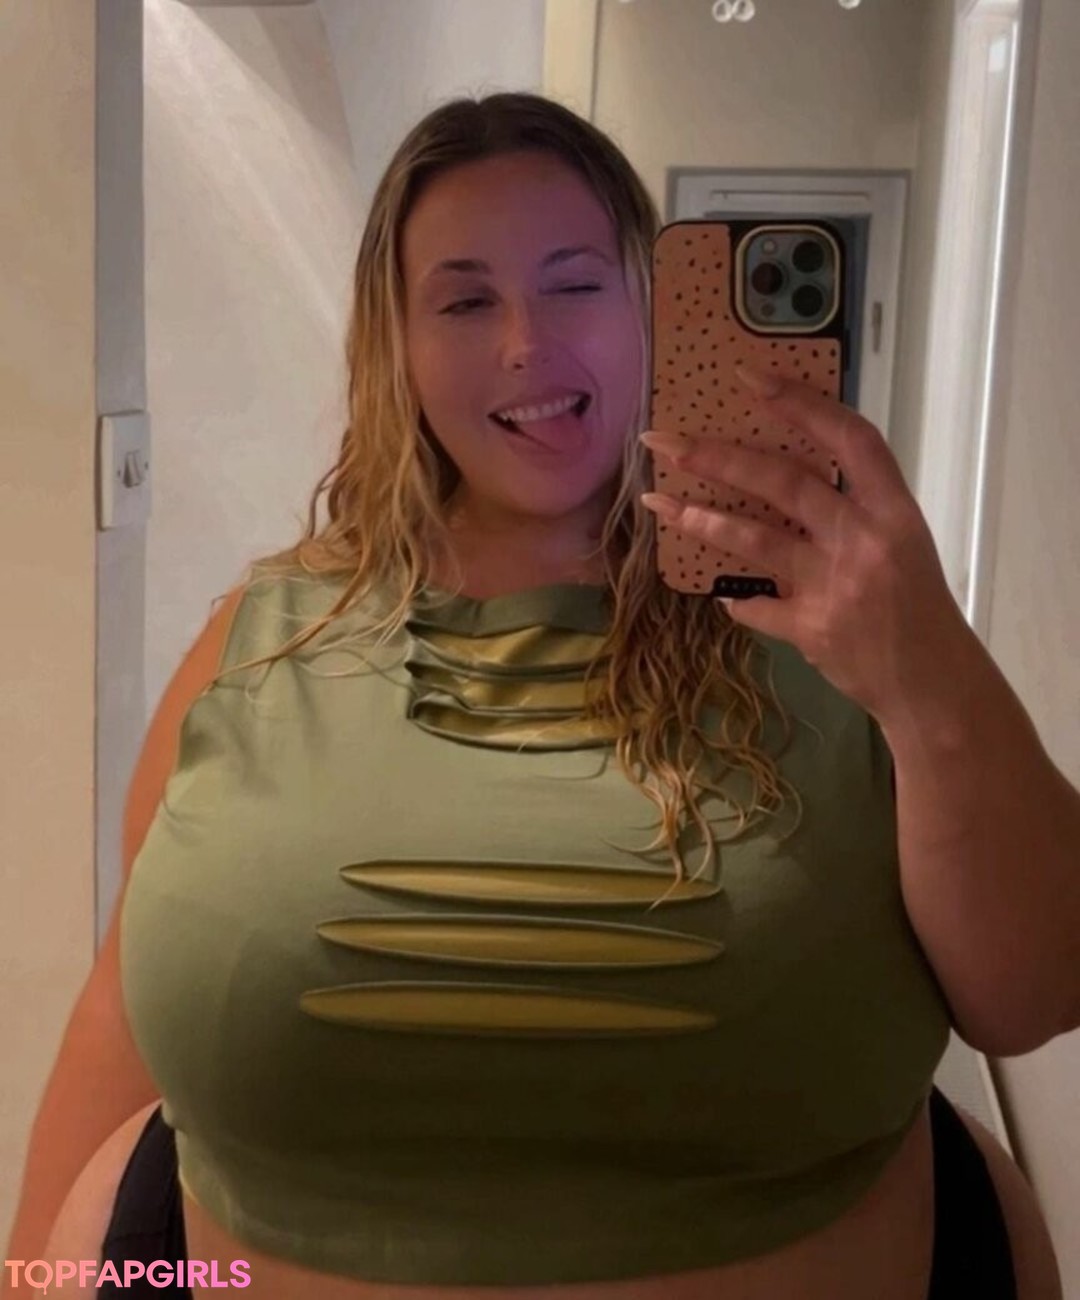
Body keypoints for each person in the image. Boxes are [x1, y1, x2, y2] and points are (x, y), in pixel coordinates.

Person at [6, 91, 1060, 1300]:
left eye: (575, 284)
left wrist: (927, 671)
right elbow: (119, 1012)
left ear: (652, 308)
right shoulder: (260, 639)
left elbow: (1035, 992)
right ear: (397, 346)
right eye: (465, 301)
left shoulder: (844, 621)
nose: (524, 343)